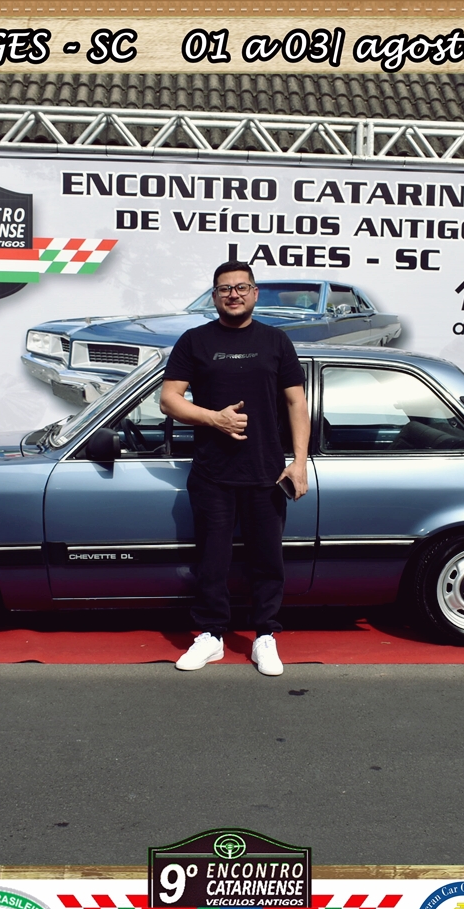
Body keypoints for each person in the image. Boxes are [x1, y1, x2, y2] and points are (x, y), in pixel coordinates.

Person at [160, 261, 309, 676]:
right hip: (212, 472)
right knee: (211, 560)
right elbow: (169, 399)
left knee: (267, 560)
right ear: (214, 296)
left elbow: (296, 402)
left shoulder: (276, 341)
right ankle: (211, 636)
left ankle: (265, 636)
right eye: (225, 289)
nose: (234, 294)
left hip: (267, 472)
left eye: (242, 287)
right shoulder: (194, 341)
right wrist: (215, 419)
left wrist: (299, 462)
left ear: (255, 293)